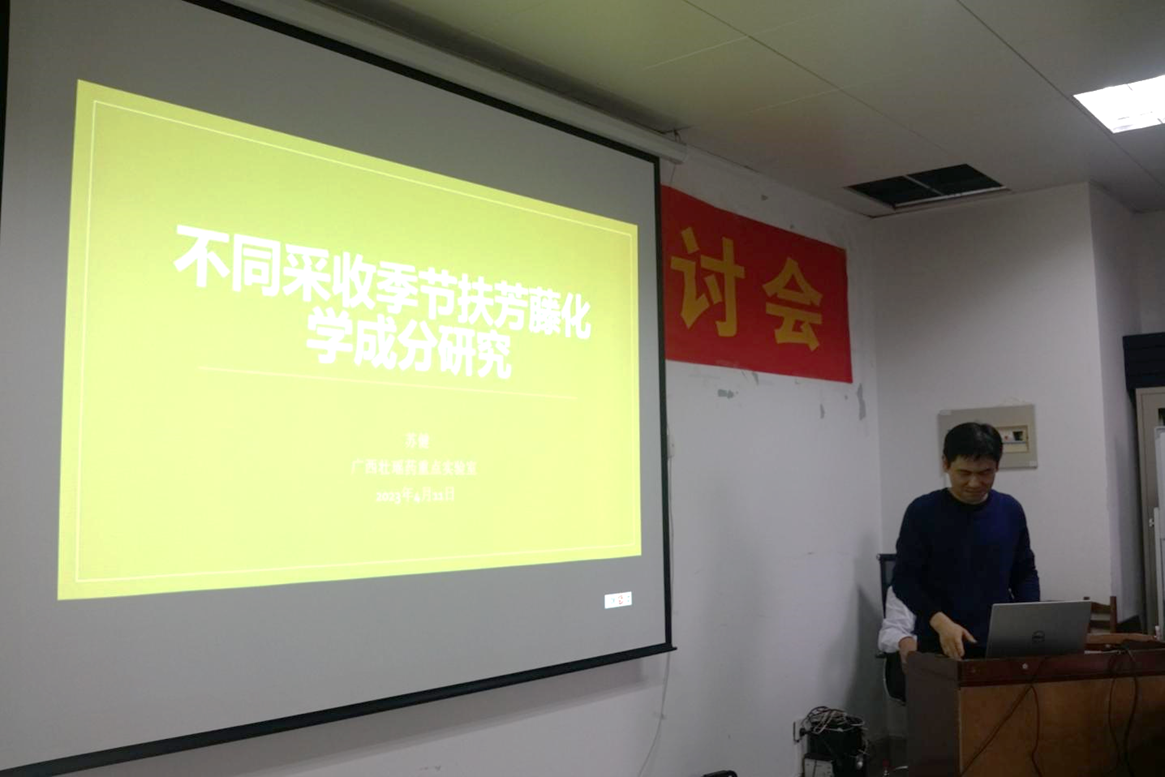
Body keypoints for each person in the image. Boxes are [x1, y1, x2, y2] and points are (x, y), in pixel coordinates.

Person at [891, 422, 1040, 659]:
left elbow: (1024, 573)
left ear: (997, 466)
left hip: (1000, 645)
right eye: (964, 473)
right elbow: (904, 579)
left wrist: (1028, 620)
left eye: (985, 473)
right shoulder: (922, 512)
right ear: (946, 464)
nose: (974, 483)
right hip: (940, 645)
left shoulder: (1010, 510)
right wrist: (939, 621)